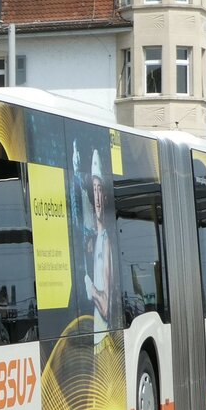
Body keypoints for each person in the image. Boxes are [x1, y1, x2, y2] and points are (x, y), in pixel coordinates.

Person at [83, 149, 114, 348]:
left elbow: (105, 307)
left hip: (103, 340)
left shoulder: (106, 242)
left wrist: (91, 288)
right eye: (93, 189)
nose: (97, 196)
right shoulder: (95, 241)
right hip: (96, 338)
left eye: (100, 189)